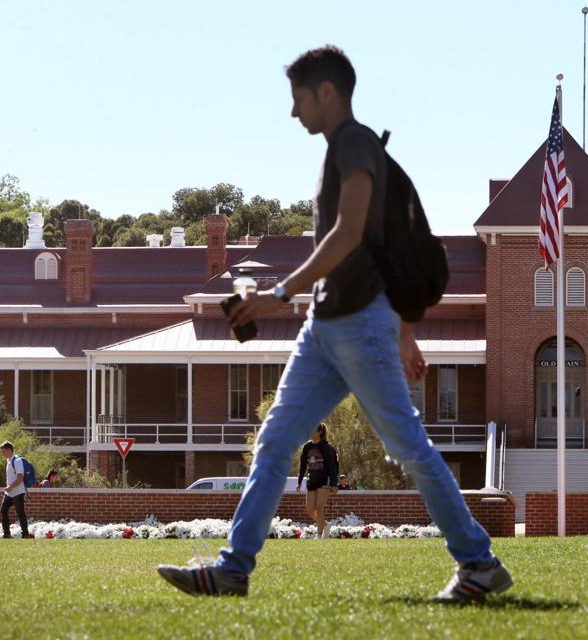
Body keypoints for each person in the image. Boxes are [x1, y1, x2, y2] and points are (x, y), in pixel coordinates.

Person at [158, 45, 511, 601]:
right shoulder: (339, 150)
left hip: (356, 327)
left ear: (327, 92)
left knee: (410, 450)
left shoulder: (354, 142)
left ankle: (478, 563)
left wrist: (279, 293)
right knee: (274, 445)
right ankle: (233, 569)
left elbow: (348, 234)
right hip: (324, 329)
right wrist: (403, 330)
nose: (293, 112)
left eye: (298, 99)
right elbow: (372, 249)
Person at [297, 424, 339, 538]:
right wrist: (299, 482)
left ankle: (320, 536)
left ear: (320, 432)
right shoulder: (307, 447)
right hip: (312, 480)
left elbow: (332, 466)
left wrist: (334, 484)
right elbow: (303, 466)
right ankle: (325, 524)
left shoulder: (326, 447)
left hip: (324, 480)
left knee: (319, 508)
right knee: (310, 510)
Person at [0, 441, 30, 539]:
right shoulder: (8, 460)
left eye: (3, 451)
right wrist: (9, 488)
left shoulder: (16, 460)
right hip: (9, 493)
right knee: (3, 510)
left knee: (20, 513)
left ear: (9, 450)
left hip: (18, 492)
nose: (2, 453)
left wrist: (10, 487)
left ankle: (25, 534)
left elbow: (20, 477)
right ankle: (7, 534)